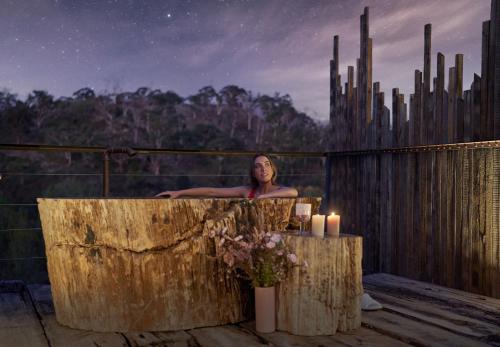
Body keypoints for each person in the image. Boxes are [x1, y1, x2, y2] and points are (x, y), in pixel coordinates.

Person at [155, 154, 298, 199]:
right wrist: (179, 193)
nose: (263, 169)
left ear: (272, 169)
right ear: (253, 173)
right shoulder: (248, 191)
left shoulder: (279, 190)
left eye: (267, 164)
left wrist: (262, 197)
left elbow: (293, 192)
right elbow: (212, 191)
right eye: (258, 166)